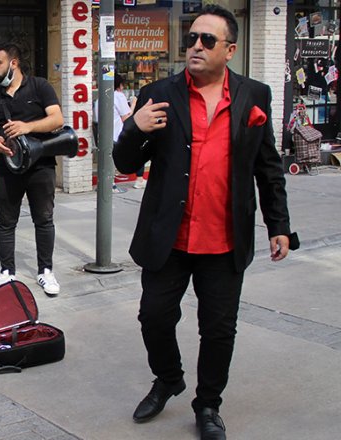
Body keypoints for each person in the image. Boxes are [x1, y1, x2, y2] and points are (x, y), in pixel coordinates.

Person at [114, 6, 297, 440]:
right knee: (154, 317)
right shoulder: (158, 92)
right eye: (191, 38)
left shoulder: (255, 97)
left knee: (218, 330)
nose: (195, 45)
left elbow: (268, 168)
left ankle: (208, 404)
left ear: (230, 50)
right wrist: (134, 129)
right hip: (169, 236)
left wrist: (279, 225)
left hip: (224, 238)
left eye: (207, 40)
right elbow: (124, 162)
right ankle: (169, 378)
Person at [0, 42, 64, 296]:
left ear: (13, 63)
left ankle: (45, 271)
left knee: (44, 219)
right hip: (7, 168)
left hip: (41, 167)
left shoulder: (40, 86)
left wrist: (27, 127)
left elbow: (57, 119)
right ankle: (6, 273)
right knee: (5, 221)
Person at [113, 76, 146, 190]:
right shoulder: (118, 96)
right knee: (138, 146)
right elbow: (127, 117)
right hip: (118, 134)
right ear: (119, 85)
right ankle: (139, 179)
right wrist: (133, 104)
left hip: (107, 135)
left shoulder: (101, 97)